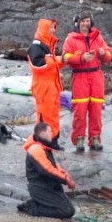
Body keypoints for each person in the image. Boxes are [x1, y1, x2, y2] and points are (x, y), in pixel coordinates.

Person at [63, 11, 112, 152]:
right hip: (80, 77)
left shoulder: (97, 37)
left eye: (88, 21)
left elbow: (108, 56)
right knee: (80, 110)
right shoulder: (71, 39)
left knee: (96, 109)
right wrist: (81, 58)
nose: (85, 24)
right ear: (77, 23)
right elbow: (66, 57)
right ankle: (79, 139)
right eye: (83, 21)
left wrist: (104, 54)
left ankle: (95, 138)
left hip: (96, 76)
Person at [17, 121, 76, 219]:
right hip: (40, 187)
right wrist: (66, 180)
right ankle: (31, 207)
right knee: (65, 211)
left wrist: (62, 172)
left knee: (70, 210)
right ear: (43, 133)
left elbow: (51, 165)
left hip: (49, 185)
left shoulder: (43, 146)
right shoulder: (35, 148)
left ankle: (38, 203)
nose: (52, 134)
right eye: (50, 131)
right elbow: (46, 169)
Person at [27, 19, 64, 148]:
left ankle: (53, 140)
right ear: (44, 29)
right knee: (44, 116)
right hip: (43, 87)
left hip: (52, 86)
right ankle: (42, 142)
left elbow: (52, 66)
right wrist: (55, 59)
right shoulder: (36, 46)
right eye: (51, 28)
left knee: (53, 115)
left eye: (54, 28)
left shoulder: (48, 45)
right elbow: (37, 65)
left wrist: (63, 60)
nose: (53, 31)